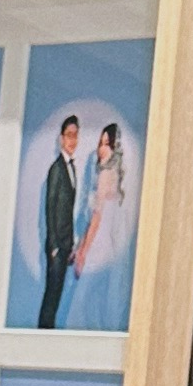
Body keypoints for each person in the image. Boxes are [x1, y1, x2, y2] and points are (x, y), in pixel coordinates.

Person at [64, 117, 129, 328]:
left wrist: (83, 251)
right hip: (103, 242)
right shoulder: (112, 176)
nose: (102, 150)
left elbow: (97, 217)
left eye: (106, 144)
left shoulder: (105, 176)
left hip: (99, 244)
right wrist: (80, 246)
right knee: (94, 301)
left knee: (83, 300)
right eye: (100, 144)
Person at [36, 114, 85, 328]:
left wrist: (71, 244)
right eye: (69, 135)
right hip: (57, 246)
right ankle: (42, 336)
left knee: (57, 295)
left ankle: (48, 332)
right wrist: (54, 245)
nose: (72, 140)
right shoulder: (56, 169)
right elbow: (50, 208)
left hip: (66, 244)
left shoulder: (71, 167)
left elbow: (67, 210)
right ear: (61, 139)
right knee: (51, 294)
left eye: (75, 135)